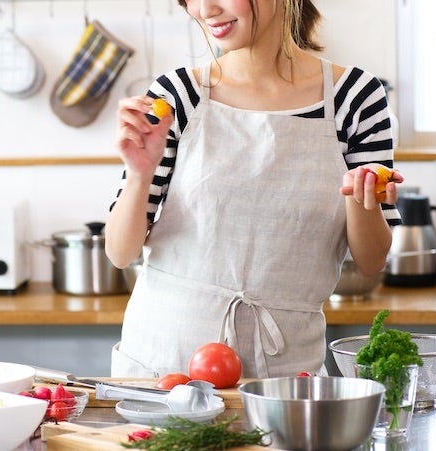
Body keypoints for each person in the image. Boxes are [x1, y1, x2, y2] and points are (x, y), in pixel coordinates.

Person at [105, 0, 404, 378]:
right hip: (164, 363)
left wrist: (360, 199)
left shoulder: (356, 98)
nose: (204, 9)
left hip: (285, 371)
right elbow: (119, 252)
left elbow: (372, 260)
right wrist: (139, 174)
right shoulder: (177, 94)